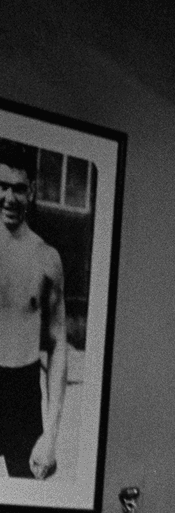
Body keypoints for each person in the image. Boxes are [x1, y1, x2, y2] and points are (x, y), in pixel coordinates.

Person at [0, 139, 67, 480]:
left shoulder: (46, 258)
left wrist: (51, 434)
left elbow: (57, 346)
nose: (9, 198)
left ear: (32, 191)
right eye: (1, 186)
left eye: (18, 189)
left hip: (22, 394)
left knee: (27, 508)